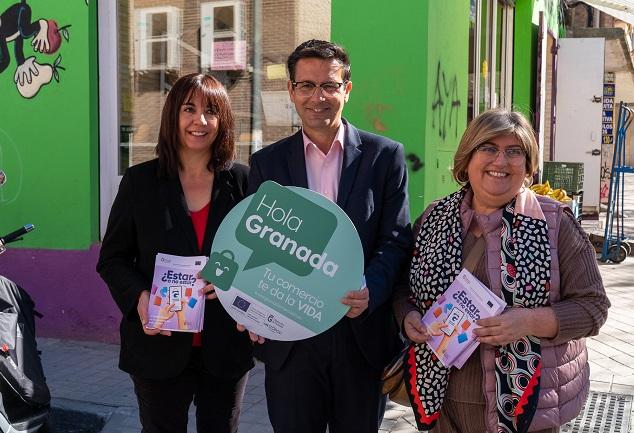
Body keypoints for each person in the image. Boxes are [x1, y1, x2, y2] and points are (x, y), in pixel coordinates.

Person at [394, 108, 610, 433]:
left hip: (526, 410)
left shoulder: (554, 223)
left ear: (527, 166)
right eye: (489, 148)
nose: (501, 161)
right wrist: (408, 316)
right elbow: (404, 290)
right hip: (444, 404)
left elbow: (593, 308)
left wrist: (530, 321)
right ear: (467, 159)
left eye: (514, 151)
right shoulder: (433, 219)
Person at [245, 39, 412, 433]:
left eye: (329, 85)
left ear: (347, 90)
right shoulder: (267, 164)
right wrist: (250, 300)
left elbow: (396, 238)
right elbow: (256, 244)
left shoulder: (384, 157)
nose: (317, 96)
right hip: (291, 342)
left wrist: (370, 288)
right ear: (291, 91)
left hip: (359, 338)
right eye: (306, 85)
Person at [97, 73, 253, 433]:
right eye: (189, 109)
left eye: (211, 111)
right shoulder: (139, 182)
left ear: (223, 120)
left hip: (226, 343)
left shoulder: (244, 182)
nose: (200, 121)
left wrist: (240, 283)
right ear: (173, 116)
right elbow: (113, 258)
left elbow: (259, 256)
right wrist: (139, 298)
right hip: (158, 345)